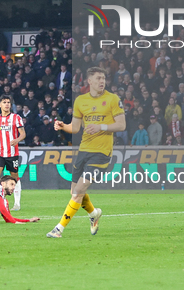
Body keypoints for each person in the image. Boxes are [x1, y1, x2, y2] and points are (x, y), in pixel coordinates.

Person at [48, 67, 126, 238]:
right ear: (89, 81)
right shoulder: (80, 101)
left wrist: (101, 127)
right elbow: (75, 128)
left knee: (79, 190)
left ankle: (59, 228)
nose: (102, 81)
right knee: (75, 192)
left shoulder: (113, 99)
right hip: (83, 150)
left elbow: (121, 125)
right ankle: (93, 214)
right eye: (98, 78)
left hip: (101, 153)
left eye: (104, 78)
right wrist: (62, 126)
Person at [0, 95, 25, 211]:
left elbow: (23, 133)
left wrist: (17, 140)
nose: (7, 104)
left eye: (8, 102)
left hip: (12, 154)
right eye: (4, 102)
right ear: (0, 105)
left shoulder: (16, 118)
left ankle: (17, 203)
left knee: (14, 177)